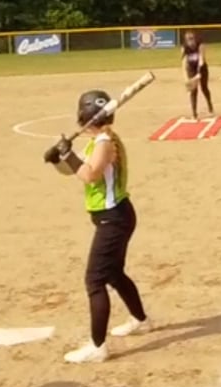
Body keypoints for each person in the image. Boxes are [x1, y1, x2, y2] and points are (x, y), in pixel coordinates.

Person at [42, 89, 149, 364]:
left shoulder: (104, 143)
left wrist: (68, 154)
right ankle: (140, 319)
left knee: (95, 280)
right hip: (113, 217)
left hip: (113, 219)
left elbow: (90, 174)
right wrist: (58, 159)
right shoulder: (98, 141)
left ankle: (97, 346)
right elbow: (76, 170)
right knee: (113, 273)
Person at [181, 31, 214, 120]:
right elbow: (184, 64)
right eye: (189, 40)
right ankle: (194, 113)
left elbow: (201, 59)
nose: (191, 41)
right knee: (193, 91)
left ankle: (210, 106)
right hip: (191, 69)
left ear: (195, 39)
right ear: (186, 41)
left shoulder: (200, 44)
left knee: (204, 88)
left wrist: (199, 72)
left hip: (202, 68)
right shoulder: (184, 48)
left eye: (192, 39)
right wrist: (186, 79)